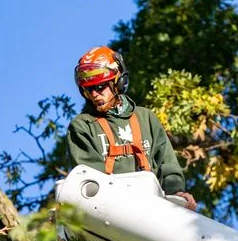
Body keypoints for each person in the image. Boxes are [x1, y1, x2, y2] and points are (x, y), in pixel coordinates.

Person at [66, 46, 197, 211]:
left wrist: (177, 193)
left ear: (118, 82)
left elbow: (167, 164)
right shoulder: (83, 126)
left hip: (154, 209)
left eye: (100, 87)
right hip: (109, 212)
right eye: (88, 89)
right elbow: (90, 183)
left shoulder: (146, 118)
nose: (94, 95)